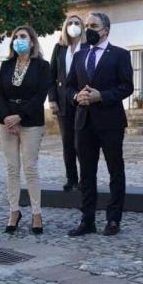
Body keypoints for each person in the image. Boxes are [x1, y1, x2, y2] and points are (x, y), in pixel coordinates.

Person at [66, 12, 134, 237]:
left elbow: (127, 87)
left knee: (115, 170)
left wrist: (101, 96)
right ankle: (87, 219)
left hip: (110, 121)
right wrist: (77, 96)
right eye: (87, 26)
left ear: (106, 29)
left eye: (93, 25)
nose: (89, 29)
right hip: (83, 122)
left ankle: (113, 219)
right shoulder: (79, 55)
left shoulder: (120, 55)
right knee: (86, 173)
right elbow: (68, 87)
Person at [0, 26, 51, 235]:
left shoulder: (42, 66)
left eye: (23, 37)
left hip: (31, 121)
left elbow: (40, 95)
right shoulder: (6, 65)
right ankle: (14, 211)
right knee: (11, 168)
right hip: (7, 123)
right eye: (15, 37)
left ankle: (36, 213)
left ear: (32, 41)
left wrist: (20, 115)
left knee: (30, 167)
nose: (18, 40)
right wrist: (6, 118)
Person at [48, 15, 86, 192]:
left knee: (82, 142)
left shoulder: (87, 46)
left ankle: (85, 179)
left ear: (82, 27)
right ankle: (71, 178)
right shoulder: (59, 48)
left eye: (77, 23)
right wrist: (52, 99)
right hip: (63, 102)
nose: (73, 26)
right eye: (70, 23)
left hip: (82, 101)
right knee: (68, 142)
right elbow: (51, 75)